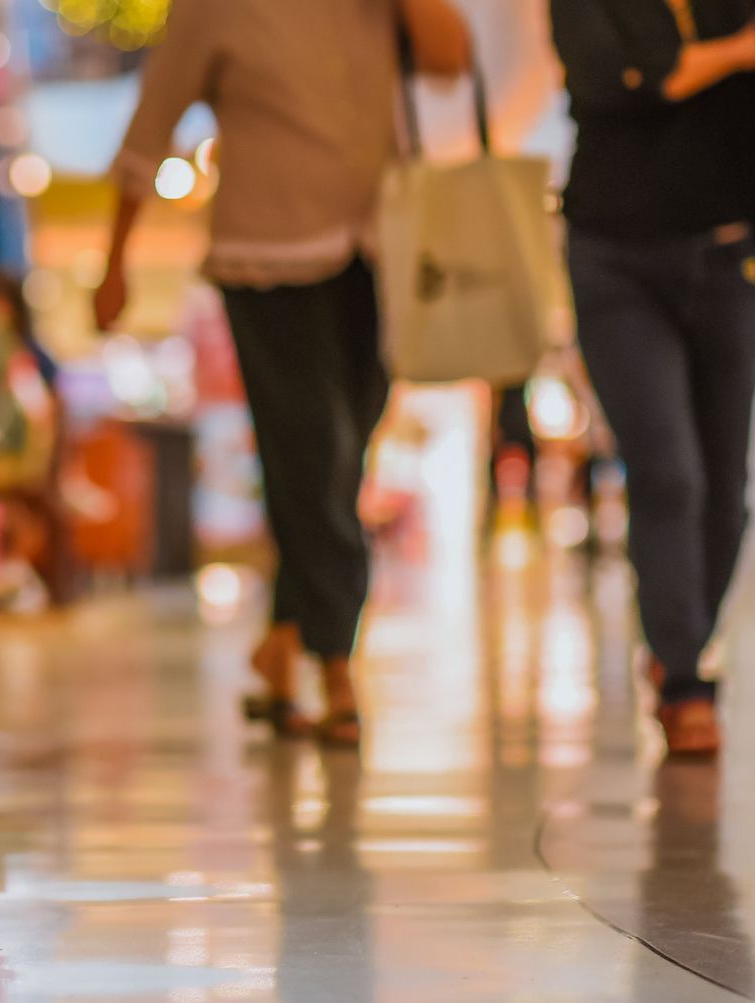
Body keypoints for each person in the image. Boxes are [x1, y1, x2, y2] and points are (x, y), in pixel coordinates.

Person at [93, 0, 470, 745]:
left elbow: (452, 58)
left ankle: (281, 641)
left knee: (339, 459)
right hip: (264, 258)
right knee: (313, 451)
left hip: (373, 254)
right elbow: (151, 122)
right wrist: (114, 264)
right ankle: (335, 664)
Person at [550, 1, 755, 756]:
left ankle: (679, 644)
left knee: (725, 490)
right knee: (668, 471)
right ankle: (685, 682)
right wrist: (732, 56)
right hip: (615, 260)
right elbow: (619, 81)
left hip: (730, 259)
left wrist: (688, 67)